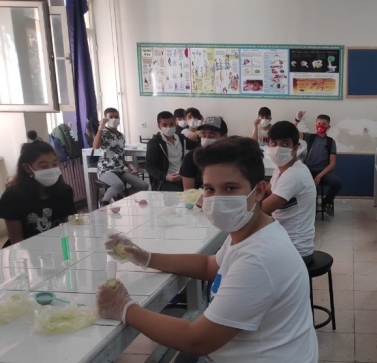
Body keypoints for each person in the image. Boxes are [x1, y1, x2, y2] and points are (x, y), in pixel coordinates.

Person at [97, 137, 318, 362]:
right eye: (209, 189)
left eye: (230, 188)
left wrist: (125, 308)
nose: (217, 198)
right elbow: (209, 265)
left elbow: (197, 340)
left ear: (259, 191)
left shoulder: (259, 257)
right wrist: (144, 257)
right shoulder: (252, 231)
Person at [0, 142, 76, 247]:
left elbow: (70, 227)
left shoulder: (64, 191)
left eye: (54, 164)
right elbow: (16, 240)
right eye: (44, 166)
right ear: (27, 168)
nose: (51, 170)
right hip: (28, 250)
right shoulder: (11, 197)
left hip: (59, 246)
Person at [261, 121, 316, 265]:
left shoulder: (294, 174)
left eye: (285, 144)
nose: (278, 148)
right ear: (268, 145)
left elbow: (262, 210)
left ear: (295, 148)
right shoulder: (279, 170)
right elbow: (265, 193)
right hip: (282, 242)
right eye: (274, 143)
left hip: (296, 250)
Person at [93, 108, 149, 207]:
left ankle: (123, 197)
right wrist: (100, 128)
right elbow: (96, 146)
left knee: (144, 185)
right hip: (105, 170)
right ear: (106, 119)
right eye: (111, 117)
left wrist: (129, 165)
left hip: (120, 170)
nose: (114, 119)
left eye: (116, 117)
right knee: (118, 185)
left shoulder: (121, 136)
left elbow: (119, 155)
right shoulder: (103, 133)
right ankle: (104, 201)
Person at [293, 110, 340, 216]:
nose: (321, 126)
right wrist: (297, 120)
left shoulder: (330, 142)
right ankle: (308, 209)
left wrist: (319, 176)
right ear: (315, 125)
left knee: (336, 183)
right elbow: (291, 132)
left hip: (323, 172)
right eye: (319, 123)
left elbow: (332, 164)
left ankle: (326, 203)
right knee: (307, 189)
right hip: (308, 171)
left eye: (324, 124)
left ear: (329, 127)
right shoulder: (310, 137)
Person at [146, 111, 200, 192]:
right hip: (165, 180)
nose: (169, 127)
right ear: (159, 126)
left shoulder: (180, 138)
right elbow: (149, 166)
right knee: (178, 193)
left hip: (182, 176)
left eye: (171, 124)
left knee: (200, 189)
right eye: (164, 125)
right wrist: (165, 176)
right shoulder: (155, 143)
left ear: (175, 123)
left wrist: (204, 136)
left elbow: (196, 146)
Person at [180, 116, 228, 190]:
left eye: (211, 135)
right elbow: (188, 191)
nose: (206, 138)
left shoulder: (231, 158)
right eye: (203, 134)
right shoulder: (190, 158)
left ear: (223, 137)